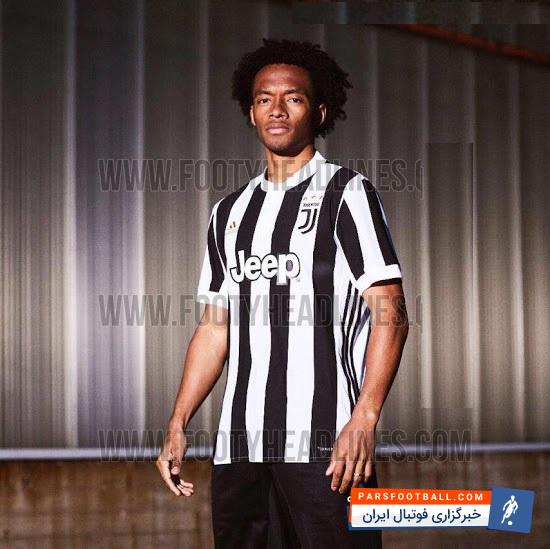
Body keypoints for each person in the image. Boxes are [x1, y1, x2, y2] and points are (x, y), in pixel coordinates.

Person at [156, 38, 409, 548]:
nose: (276, 109)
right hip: (239, 450)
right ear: (251, 113)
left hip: (326, 447)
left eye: (292, 98)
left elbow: (391, 311)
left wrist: (365, 418)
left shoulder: (347, 193)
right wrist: (178, 421)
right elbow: (214, 327)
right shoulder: (228, 212)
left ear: (318, 112)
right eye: (263, 99)